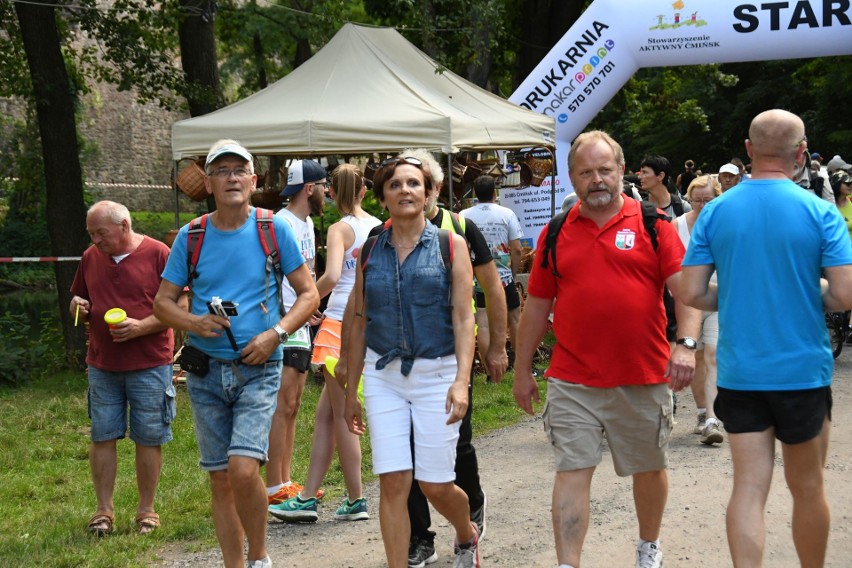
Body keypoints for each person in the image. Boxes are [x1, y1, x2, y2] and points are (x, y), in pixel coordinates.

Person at [513, 130, 697, 568]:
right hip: (573, 378)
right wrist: (523, 370)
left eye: (604, 170)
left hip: (644, 373)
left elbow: (684, 293)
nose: (596, 179)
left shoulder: (654, 225)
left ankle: (647, 546)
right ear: (573, 178)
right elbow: (537, 308)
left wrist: (685, 345)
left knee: (649, 468)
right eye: (586, 172)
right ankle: (567, 563)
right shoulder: (556, 233)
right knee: (572, 469)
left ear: (621, 170)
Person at [680, 109, 852, 568]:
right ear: (801, 154)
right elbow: (843, 294)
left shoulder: (714, 211)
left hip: (742, 374)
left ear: (749, 149)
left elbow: (692, 291)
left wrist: (737, 290)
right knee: (808, 486)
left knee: (749, 488)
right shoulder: (821, 212)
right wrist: (802, 288)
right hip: (802, 374)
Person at [154, 139, 319, 568]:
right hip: (206, 372)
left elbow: (308, 294)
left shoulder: (272, 228)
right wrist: (193, 323)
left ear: (253, 180)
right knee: (222, 480)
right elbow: (162, 303)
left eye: (238, 170)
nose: (231, 177)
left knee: (245, 470)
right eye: (221, 170)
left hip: (259, 368)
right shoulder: (192, 235)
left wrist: (275, 335)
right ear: (208, 182)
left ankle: (260, 557)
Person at [342, 155, 481, 568]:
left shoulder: (449, 244)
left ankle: (466, 533)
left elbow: (463, 316)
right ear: (382, 197)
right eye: (395, 185)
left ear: (428, 193)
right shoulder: (369, 248)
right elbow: (360, 320)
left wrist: (461, 380)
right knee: (393, 482)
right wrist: (351, 391)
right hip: (384, 376)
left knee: (435, 484)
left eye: (413, 184)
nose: (405, 190)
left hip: (436, 374)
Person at [397, 150, 507, 567]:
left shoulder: (460, 227)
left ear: (436, 188)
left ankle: (472, 505)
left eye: (421, 181)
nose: (413, 189)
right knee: (406, 453)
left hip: (450, 358)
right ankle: (419, 538)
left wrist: (497, 346)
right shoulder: (384, 233)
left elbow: (493, 288)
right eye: (403, 181)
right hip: (403, 361)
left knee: (457, 442)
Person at [268, 163, 380, 522]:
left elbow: (332, 275)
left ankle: (356, 498)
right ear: (364, 191)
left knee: (343, 413)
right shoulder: (377, 227)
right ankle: (306, 497)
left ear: (331, 192)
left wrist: (306, 302)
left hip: (337, 326)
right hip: (366, 323)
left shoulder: (338, 229)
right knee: (327, 416)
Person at [70, 200, 174, 537]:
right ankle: (103, 511)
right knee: (102, 435)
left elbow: (181, 307)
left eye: (101, 233)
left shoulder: (159, 254)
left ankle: (147, 511)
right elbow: (79, 302)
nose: (96, 240)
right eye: (91, 233)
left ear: (124, 227)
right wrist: (78, 308)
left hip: (150, 362)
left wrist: (141, 327)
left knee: (148, 436)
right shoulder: (89, 258)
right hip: (103, 363)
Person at [266, 159, 328, 505]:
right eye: (323, 186)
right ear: (310, 188)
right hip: (284, 324)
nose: (325, 193)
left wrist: (311, 302)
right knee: (283, 403)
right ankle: (274, 485)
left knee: (294, 404)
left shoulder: (306, 225)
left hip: (302, 322)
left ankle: (286, 480)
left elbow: (304, 275)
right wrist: (284, 315)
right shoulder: (280, 223)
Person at [673, 175, 724, 445]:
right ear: (688, 200)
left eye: (708, 200)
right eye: (697, 200)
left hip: (718, 299)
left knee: (714, 355)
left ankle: (713, 419)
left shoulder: (725, 227)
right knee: (697, 359)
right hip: (687, 303)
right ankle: (703, 412)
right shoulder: (676, 225)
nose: (702, 205)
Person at [460, 175, 523, 378]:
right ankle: (521, 365)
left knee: (483, 321)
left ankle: (490, 372)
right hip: (503, 275)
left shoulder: (464, 215)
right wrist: (512, 273)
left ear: (476, 194)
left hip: (477, 276)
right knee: (514, 318)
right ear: (495, 192)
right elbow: (517, 249)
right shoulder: (507, 213)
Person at [831, 170, 852, 241]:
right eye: (847, 183)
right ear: (836, 185)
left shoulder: (851, 200)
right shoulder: (828, 206)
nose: (851, 186)